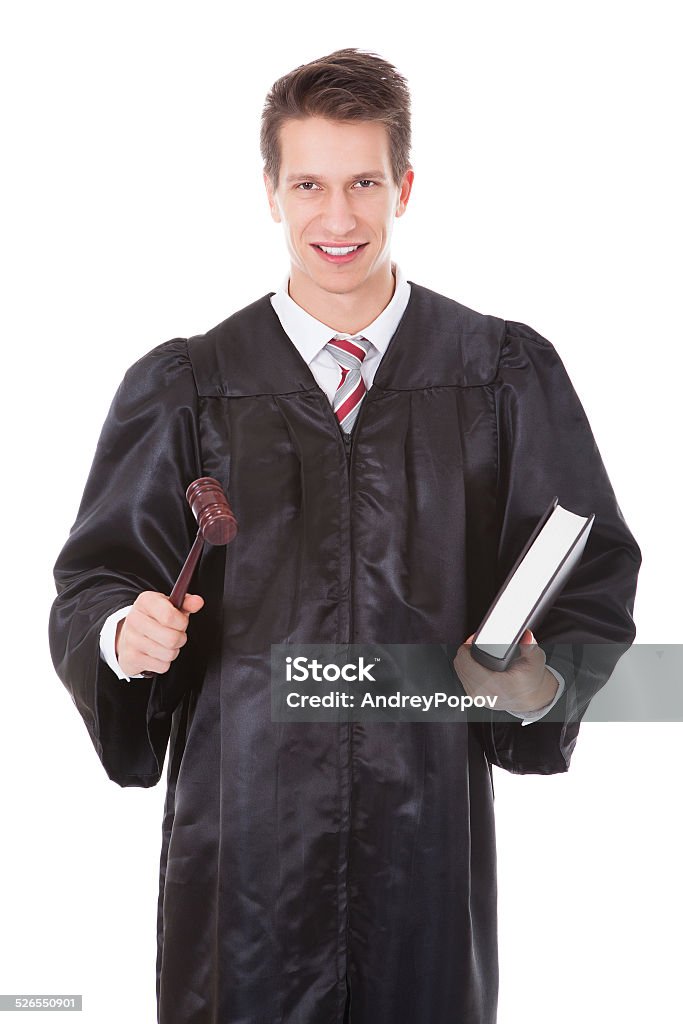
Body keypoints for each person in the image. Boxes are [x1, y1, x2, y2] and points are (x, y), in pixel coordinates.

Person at [48, 47, 642, 1024]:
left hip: (425, 836)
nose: (336, 218)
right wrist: (123, 632)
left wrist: (537, 679)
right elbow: (95, 583)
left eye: (363, 182)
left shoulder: (498, 374)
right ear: (270, 193)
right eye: (309, 184)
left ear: (402, 185)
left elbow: (586, 576)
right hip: (241, 850)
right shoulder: (189, 386)